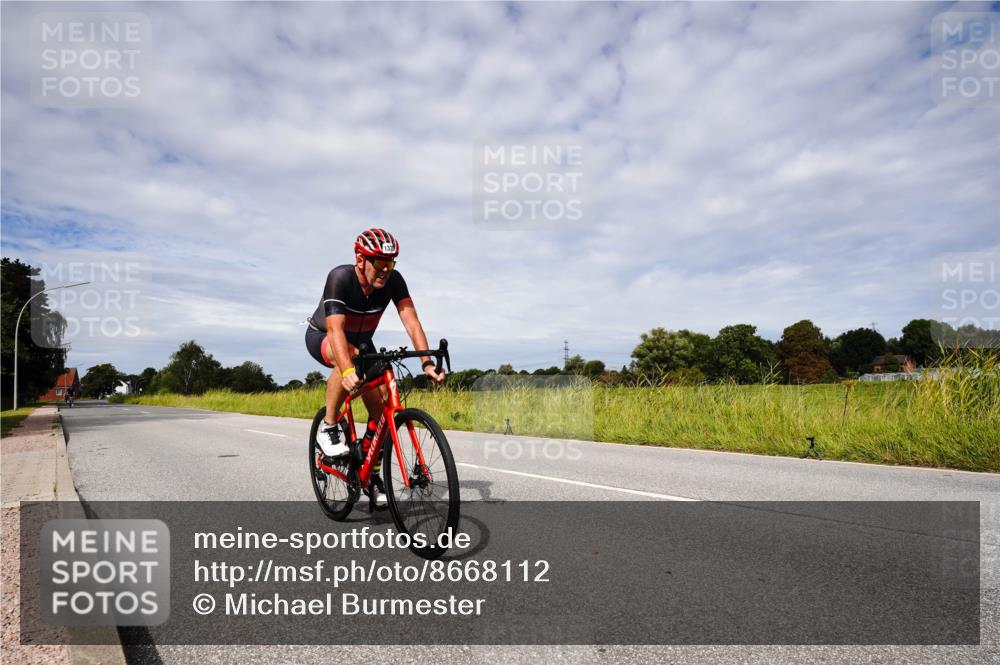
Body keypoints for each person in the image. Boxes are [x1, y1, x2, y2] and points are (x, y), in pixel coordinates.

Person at [305, 228, 445, 462]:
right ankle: (329, 427)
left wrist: (427, 363)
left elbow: (412, 323)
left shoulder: (394, 280)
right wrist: (348, 369)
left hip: (362, 344)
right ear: (360, 259)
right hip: (323, 336)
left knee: (382, 407)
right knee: (347, 357)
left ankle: (371, 467)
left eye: (390, 263)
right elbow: (335, 329)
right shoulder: (340, 278)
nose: (385, 270)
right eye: (379, 262)